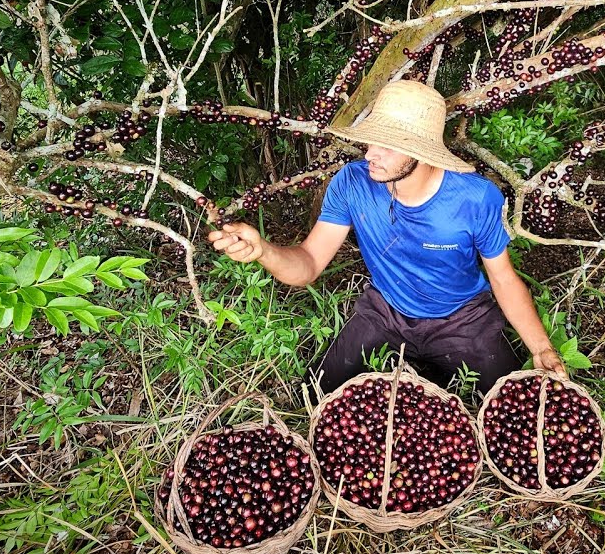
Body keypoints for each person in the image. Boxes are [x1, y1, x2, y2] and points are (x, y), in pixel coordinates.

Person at [207, 79, 565, 397]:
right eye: (372, 141)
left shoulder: (475, 198)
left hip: (462, 317)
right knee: (315, 391)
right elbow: (309, 265)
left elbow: (502, 277)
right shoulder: (352, 183)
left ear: (422, 153)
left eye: (388, 146)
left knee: (513, 402)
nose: (370, 154)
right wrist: (264, 251)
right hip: (386, 309)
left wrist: (542, 346)